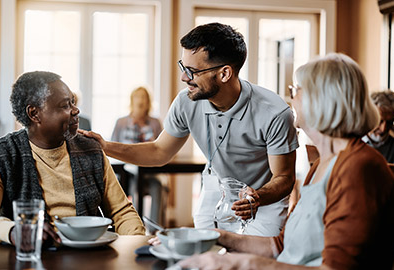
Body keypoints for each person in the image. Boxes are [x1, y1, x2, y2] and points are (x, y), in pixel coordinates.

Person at [178, 53, 394, 269]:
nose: (291, 98)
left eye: (295, 90)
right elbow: (281, 247)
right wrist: (215, 237)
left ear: (322, 100)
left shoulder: (358, 168)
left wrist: (241, 263)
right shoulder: (321, 165)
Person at [80, 22, 298, 236]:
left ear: (224, 73)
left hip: (263, 199)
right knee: (206, 256)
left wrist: (257, 197)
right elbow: (159, 152)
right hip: (216, 186)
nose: (184, 77)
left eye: (192, 71)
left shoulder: (274, 113)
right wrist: (105, 147)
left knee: (251, 261)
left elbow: (284, 177)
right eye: (183, 67)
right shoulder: (186, 101)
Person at [0, 71, 145, 246]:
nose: (75, 110)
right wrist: (14, 231)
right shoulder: (0, 157)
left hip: (88, 258)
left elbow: (122, 212)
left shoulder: (91, 150)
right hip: (30, 257)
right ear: (34, 113)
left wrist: (136, 246)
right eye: (65, 105)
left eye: (73, 102)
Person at [111, 86, 165, 224]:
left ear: (148, 101)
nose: (140, 100)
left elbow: (163, 147)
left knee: (158, 187)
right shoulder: (121, 122)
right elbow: (112, 146)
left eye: (144, 97)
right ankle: (135, 225)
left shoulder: (155, 122)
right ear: (131, 100)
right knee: (135, 186)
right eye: (137, 96)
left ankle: (154, 228)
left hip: (149, 171)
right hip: (126, 174)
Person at [362, 90, 394, 165]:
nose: (383, 129)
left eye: (390, 122)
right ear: (370, 114)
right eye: (380, 121)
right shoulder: (354, 136)